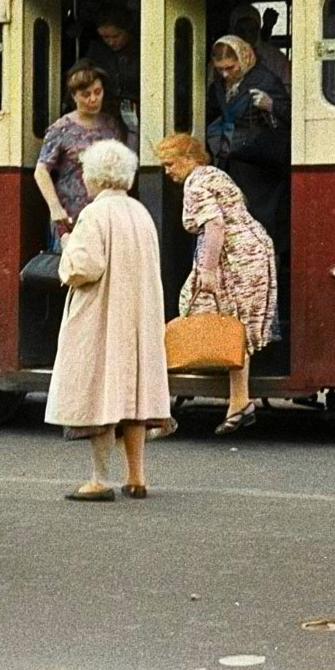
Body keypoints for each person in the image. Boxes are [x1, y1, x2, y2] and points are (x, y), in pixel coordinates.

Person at [45, 139, 173, 500]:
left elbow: (84, 268)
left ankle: (99, 479)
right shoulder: (140, 213)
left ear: (95, 178)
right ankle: (137, 476)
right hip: (138, 315)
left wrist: (67, 250)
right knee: (134, 394)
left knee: (101, 392)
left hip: (102, 314)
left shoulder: (94, 214)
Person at [156, 133, 277, 435]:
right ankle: (239, 400)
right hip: (254, 252)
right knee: (235, 326)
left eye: (170, 163)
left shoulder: (195, 183)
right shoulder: (214, 174)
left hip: (233, 257)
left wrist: (206, 270)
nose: (167, 170)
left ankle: (159, 409)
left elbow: (214, 225)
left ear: (188, 158)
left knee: (192, 310)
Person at [206, 35, 291, 253]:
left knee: (262, 224)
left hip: (262, 169)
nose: (225, 74)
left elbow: (291, 116)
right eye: (220, 69)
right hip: (234, 163)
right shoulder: (220, 84)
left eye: (230, 68)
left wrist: (271, 105)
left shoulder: (265, 80)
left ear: (243, 59)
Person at [34, 60, 125, 249]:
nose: (93, 99)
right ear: (74, 96)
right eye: (85, 95)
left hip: (105, 215)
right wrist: (54, 207)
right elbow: (41, 170)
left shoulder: (111, 124)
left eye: (97, 92)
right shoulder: (61, 128)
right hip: (70, 217)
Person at [84, 5, 140, 139]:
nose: (110, 42)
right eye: (105, 37)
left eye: (115, 36)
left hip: (139, 112)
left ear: (127, 30)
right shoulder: (97, 52)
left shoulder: (141, 49)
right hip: (106, 114)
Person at [229, 3, 292, 89]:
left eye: (251, 30)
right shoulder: (222, 57)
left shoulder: (276, 59)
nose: (247, 36)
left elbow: (286, 91)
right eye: (241, 30)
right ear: (234, 31)